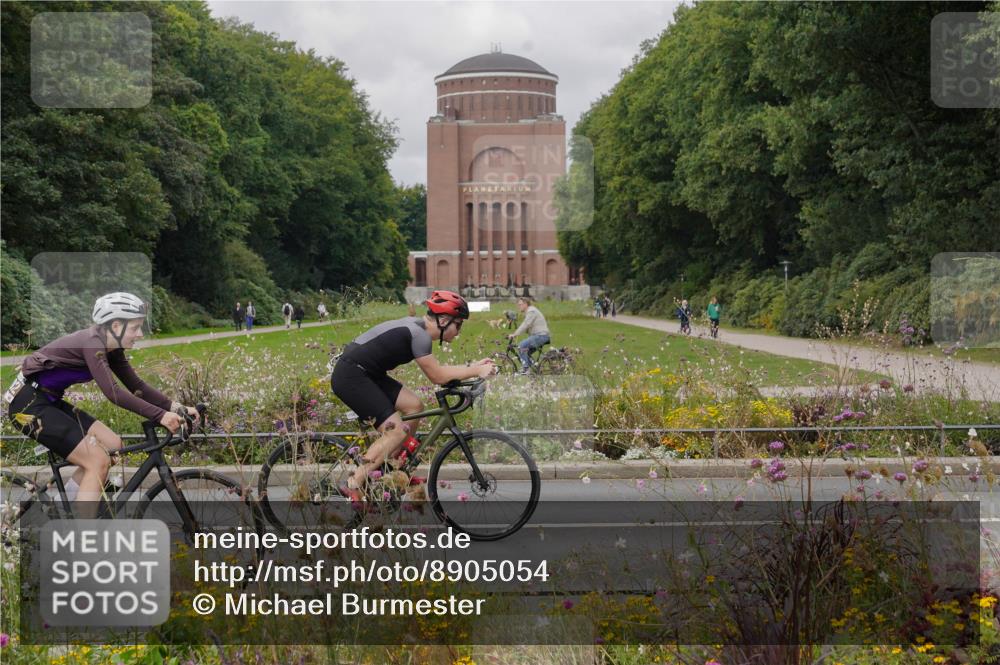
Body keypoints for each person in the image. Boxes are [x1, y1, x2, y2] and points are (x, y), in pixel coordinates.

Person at [2, 293, 198, 518]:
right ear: (116, 326)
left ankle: (64, 508)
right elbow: (113, 393)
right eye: (135, 327)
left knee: (114, 445)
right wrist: (160, 416)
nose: (140, 334)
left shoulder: (112, 347)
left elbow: (136, 386)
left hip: (49, 400)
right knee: (97, 460)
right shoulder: (92, 344)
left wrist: (175, 407)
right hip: (27, 406)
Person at [330, 290, 494, 497]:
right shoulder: (419, 335)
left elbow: (440, 372)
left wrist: (473, 367)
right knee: (396, 431)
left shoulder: (418, 329)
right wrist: (476, 370)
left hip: (367, 373)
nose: (459, 331)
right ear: (444, 320)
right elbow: (438, 376)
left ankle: (395, 469)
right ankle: (353, 483)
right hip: (351, 376)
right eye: (458, 325)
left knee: (414, 406)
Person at [508, 296, 551, 374]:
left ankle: (526, 369)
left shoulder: (531, 311)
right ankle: (535, 370)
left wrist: (515, 334)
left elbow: (526, 324)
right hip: (540, 336)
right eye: (518, 305)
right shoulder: (530, 311)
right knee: (525, 353)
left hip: (541, 336)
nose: (518, 306)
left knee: (521, 346)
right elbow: (527, 326)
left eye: (520, 304)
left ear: (525, 304)